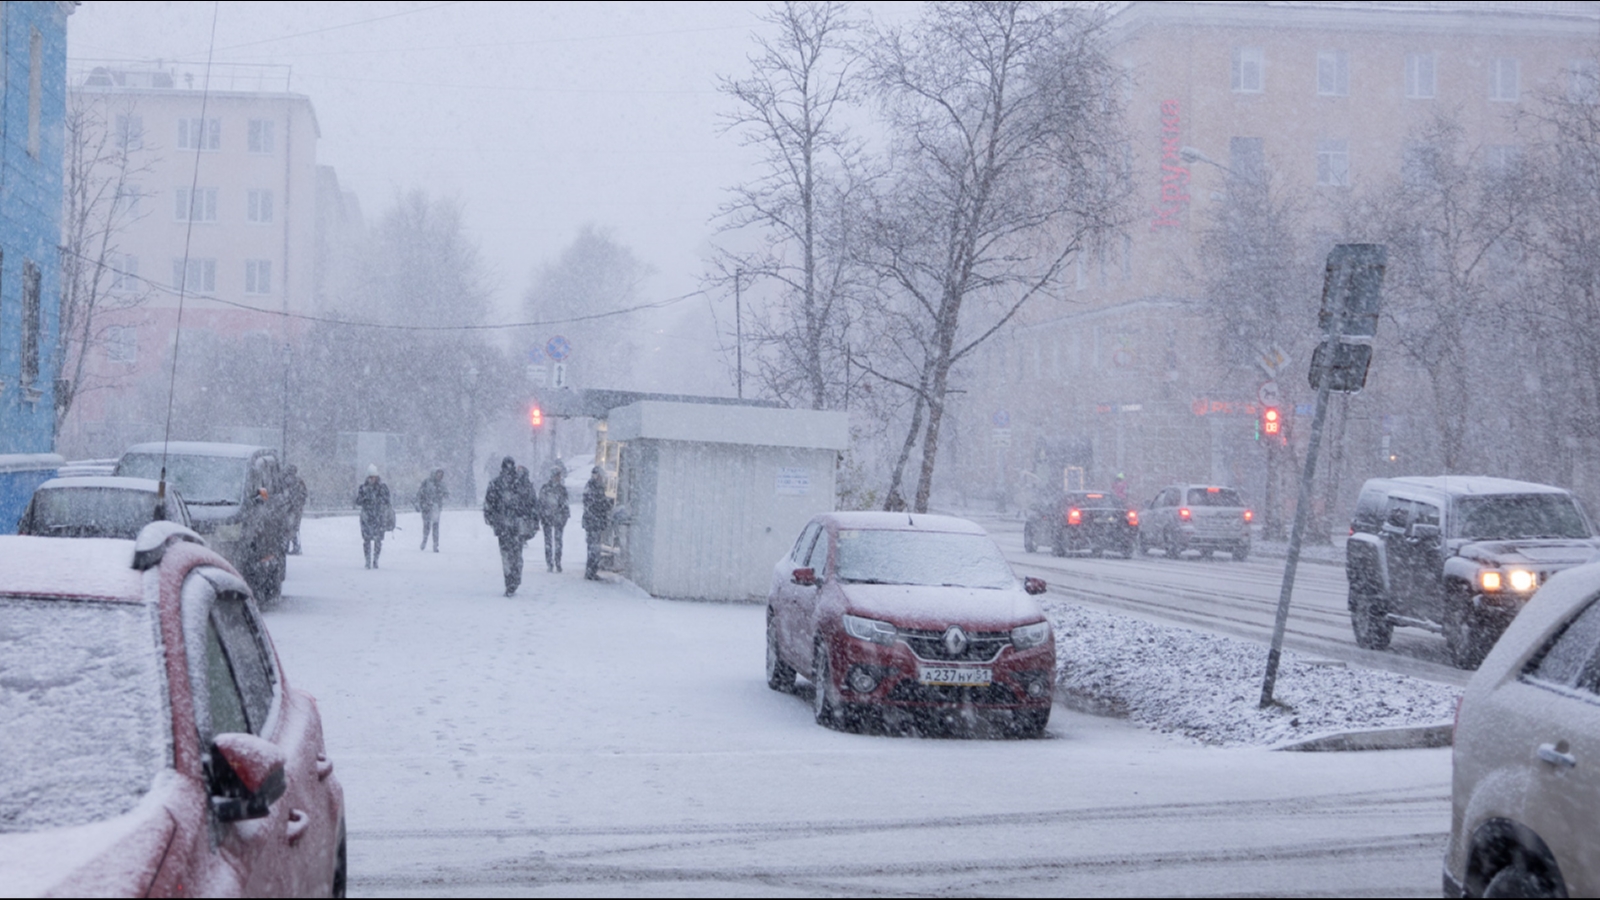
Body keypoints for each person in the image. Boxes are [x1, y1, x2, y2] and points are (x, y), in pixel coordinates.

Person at [484, 457, 535, 596]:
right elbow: (489, 503)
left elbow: (489, 503)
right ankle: (511, 581)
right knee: (511, 555)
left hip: (510, 526)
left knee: (511, 556)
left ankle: (512, 579)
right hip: (508, 526)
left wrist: (491, 517)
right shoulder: (502, 484)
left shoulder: (501, 484)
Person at [354, 465, 393, 569]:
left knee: (378, 540)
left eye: (374, 477)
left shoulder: (382, 488)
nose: (372, 480)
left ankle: (375, 560)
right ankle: (367, 561)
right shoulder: (363, 488)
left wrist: (378, 501)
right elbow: (357, 501)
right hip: (366, 518)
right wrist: (365, 499)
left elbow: (387, 500)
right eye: (371, 477)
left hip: (379, 517)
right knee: (366, 540)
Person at [582, 466, 613, 581]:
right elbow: (594, 503)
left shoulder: (594, 486)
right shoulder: (592, 486)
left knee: (594, 548)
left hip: (594, 522)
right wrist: (606, 504)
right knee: (593, 548)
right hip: (593, 522)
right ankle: (590, 572)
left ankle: (592, 571)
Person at [537, 465, 570, 573]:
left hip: (556, 518)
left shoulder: (558, 489)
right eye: (557, 476)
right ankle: (550, 563)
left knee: (557, 541)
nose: (558, 478)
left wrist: (564, 516)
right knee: (550, 542)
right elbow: (541, 503)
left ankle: (557, 562)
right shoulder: (550, 489)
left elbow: (565, 505)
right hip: (549, 518)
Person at [415, 468, 449, 552]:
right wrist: (419, 503)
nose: (439, 476)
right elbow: (420, 493)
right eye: (438, 474)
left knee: (435, 526)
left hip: (436, 507)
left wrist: (443, 494)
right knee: (426, 525)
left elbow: (446, 493)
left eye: (441, 474)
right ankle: (425, 540)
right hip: (426, 507)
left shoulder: (441, 484)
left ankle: (435, 544)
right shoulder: (426, 482)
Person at [282, 464, 308, 555]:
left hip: (291, 509)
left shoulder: (287, 482)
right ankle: (294, 546)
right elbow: (304, 495)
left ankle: (290, 547)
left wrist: (292, 503)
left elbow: (302, 495)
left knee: (289, 528)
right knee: (292, 528)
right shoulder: (298, 482)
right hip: (294, 508)